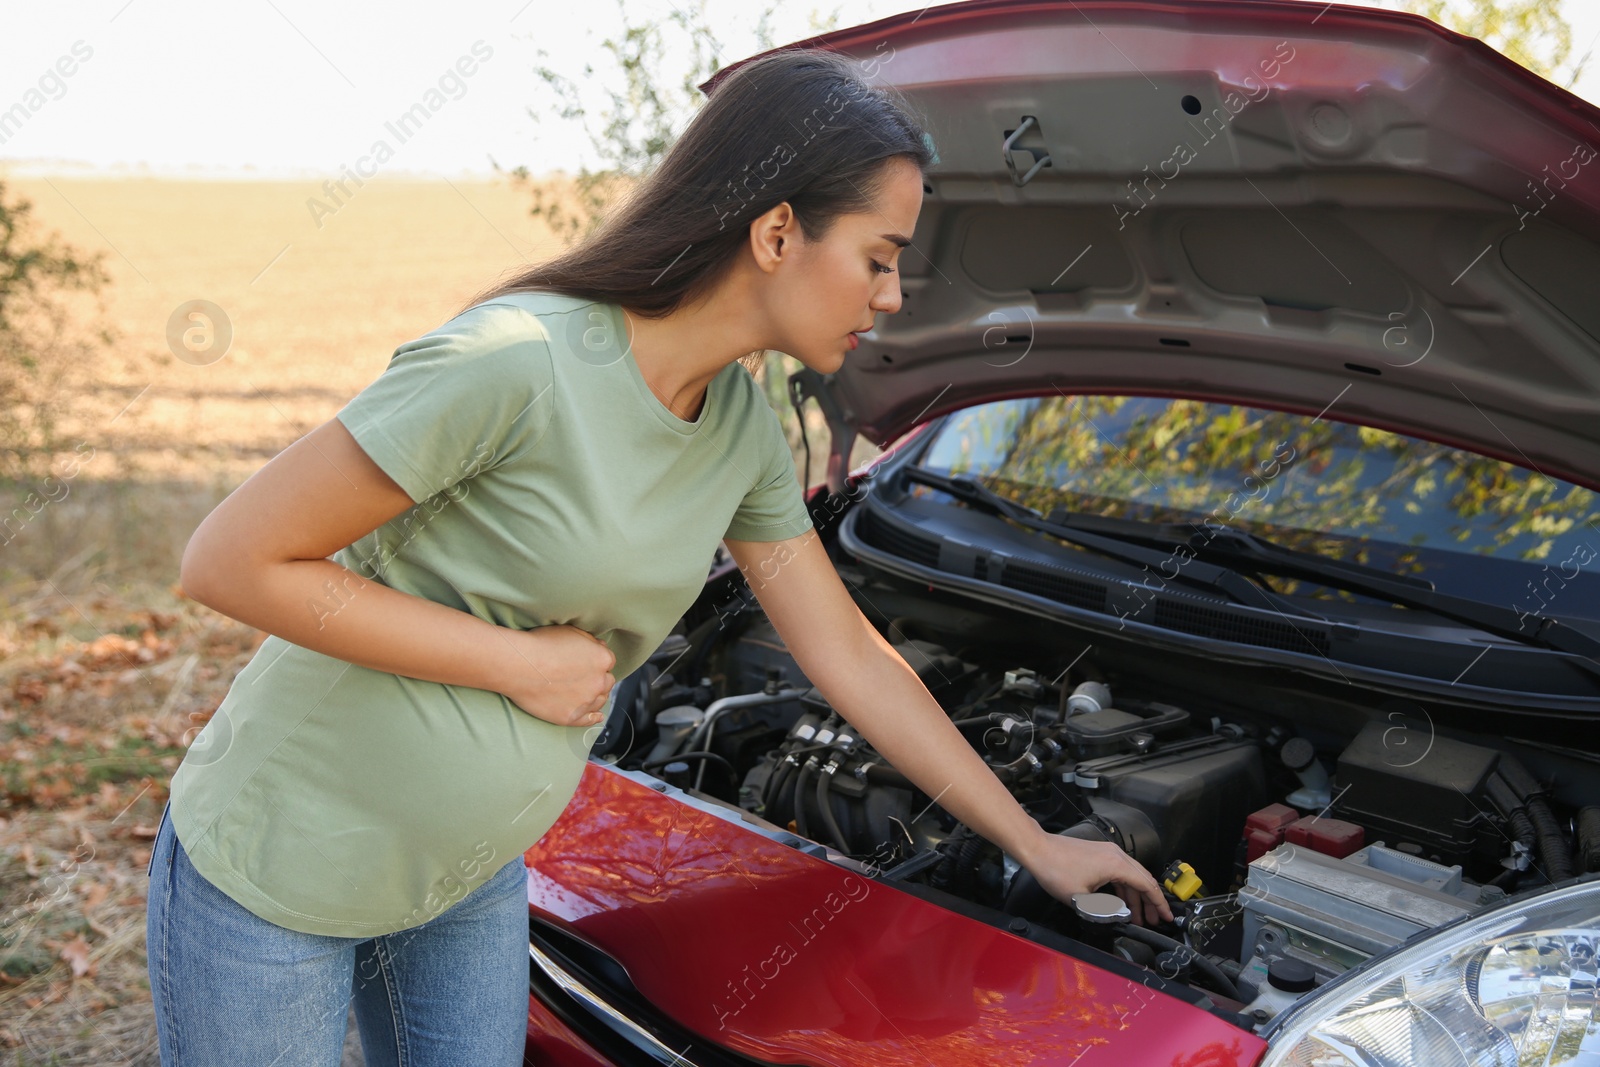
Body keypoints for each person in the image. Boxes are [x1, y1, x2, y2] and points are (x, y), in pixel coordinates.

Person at [145, 45, 1171, 1067]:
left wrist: (1030, 840)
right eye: (879, 255)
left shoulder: (739, 433)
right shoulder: (520, 360)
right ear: (777, 233)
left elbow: (850, 655)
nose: (894, 294)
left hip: (463, 876)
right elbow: (230, 560)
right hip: (280, 871)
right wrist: (516, 661)